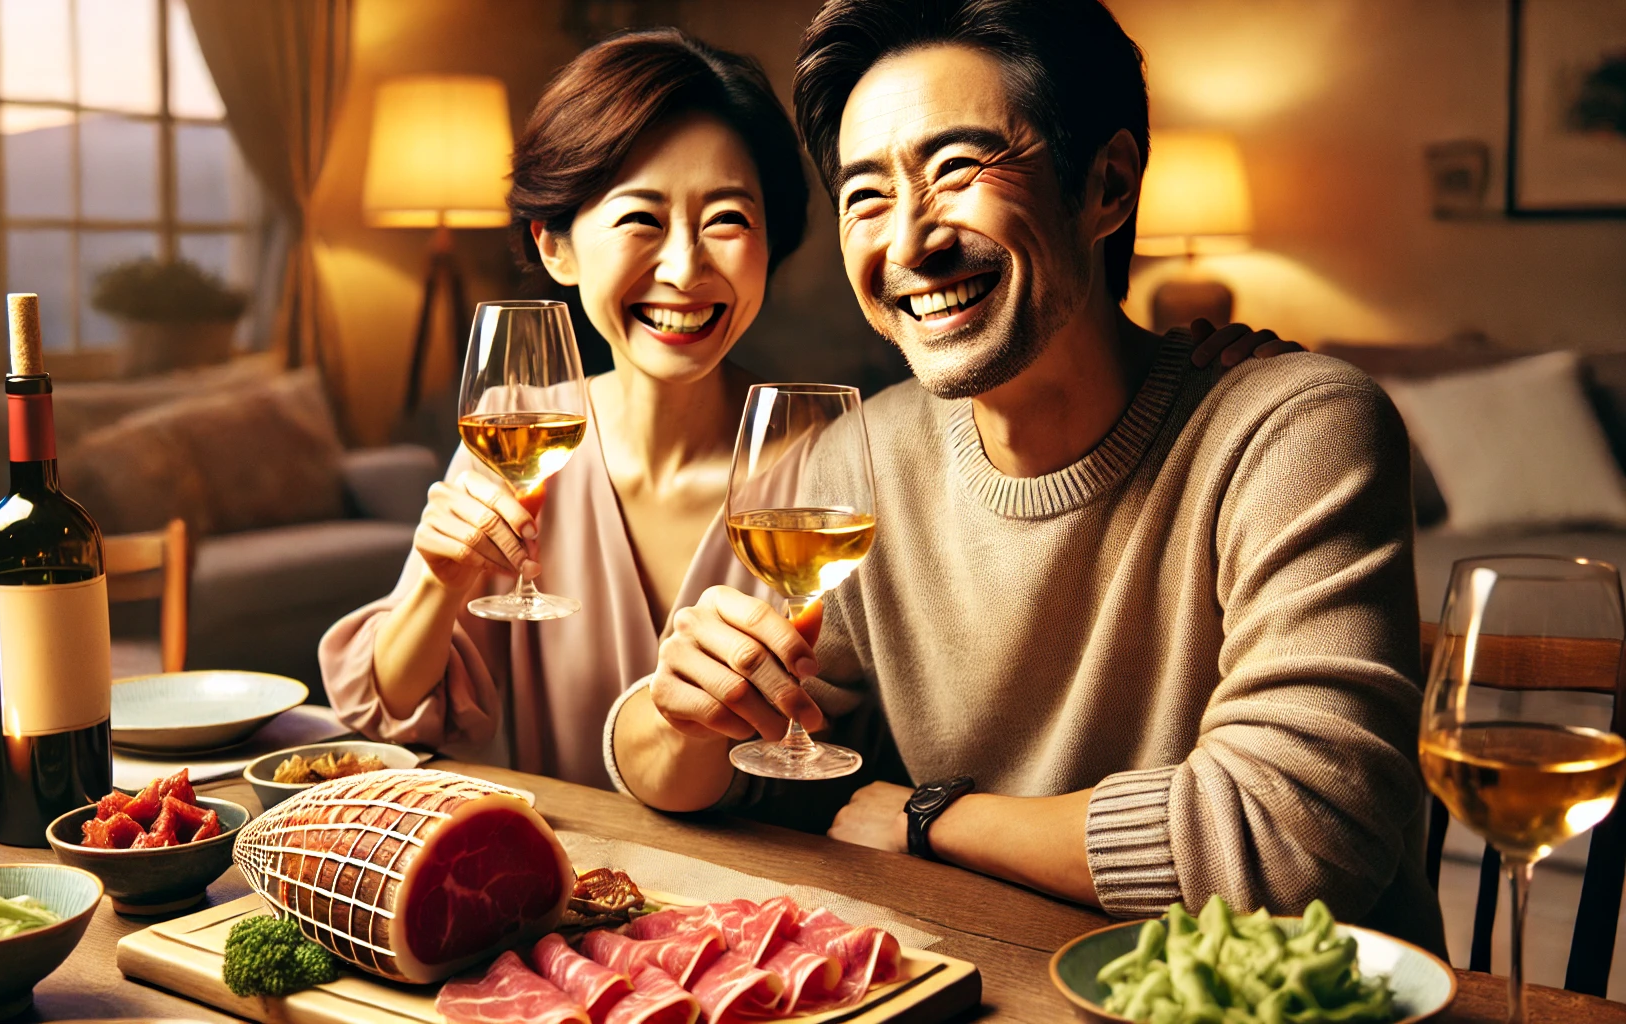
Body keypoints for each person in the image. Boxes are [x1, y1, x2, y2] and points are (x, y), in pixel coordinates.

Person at [607, 0, 1446, 955]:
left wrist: (931, 818)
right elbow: (750, 768)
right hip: (993, 979)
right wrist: (681, 712)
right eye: (866, 196)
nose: (910, 243)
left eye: (957, 170)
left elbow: (1295, 837)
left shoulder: (1292, 428)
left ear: (1107, 185)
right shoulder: (860, 457)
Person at [320, 27, 1294, 790]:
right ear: (557, 247)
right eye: (640, 220)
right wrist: (436, 584)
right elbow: (377, 720)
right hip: (548, 894)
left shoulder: (837, 459)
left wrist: (1185, 382)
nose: (683, 268)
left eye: (727, 221)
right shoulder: (523, 436)